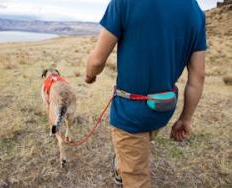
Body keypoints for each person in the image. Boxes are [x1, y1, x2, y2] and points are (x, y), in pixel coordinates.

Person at [85, 0, 207, 187]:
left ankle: (125, 170)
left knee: (136, 179)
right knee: (136, 147)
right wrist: (186, 118)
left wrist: (89, 76)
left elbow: (96, 61)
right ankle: (121, 167)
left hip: (130, 114)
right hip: (164, 108)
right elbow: (197, 78)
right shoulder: (196, 12)